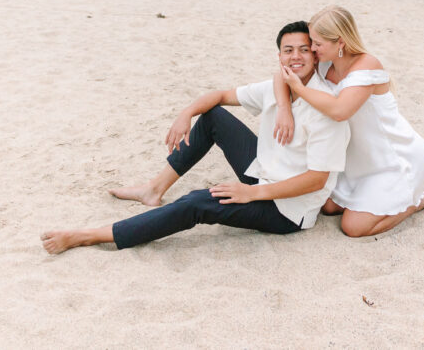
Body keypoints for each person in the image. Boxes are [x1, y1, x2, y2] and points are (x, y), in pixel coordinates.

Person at [41, 21, 349, 254]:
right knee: (213, 115)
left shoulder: (327, 108)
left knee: (198, 203)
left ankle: (90, 235)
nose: (296, 57)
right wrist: (186, 113)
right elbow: (221, 95)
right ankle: (154, 189)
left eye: (304, 49)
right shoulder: (276, 87)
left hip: (287, 210)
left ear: (316, 54)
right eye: (288, 50)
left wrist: (251, 194)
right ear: (279, 56)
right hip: (263, 175)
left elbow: (317, 180)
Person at [278, 6, 424, 238]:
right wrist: (284, 110)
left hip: (391, 159)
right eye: (312, 41)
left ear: (340, 42)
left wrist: (299, 88)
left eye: (317, 43)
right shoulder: (324, 62)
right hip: (357, 161)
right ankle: (381, 199)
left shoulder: (367, 66)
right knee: (328, 207)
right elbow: (283, 72)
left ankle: (414, 202)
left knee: (354, 227)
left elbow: (340, 111)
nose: (312, 49)